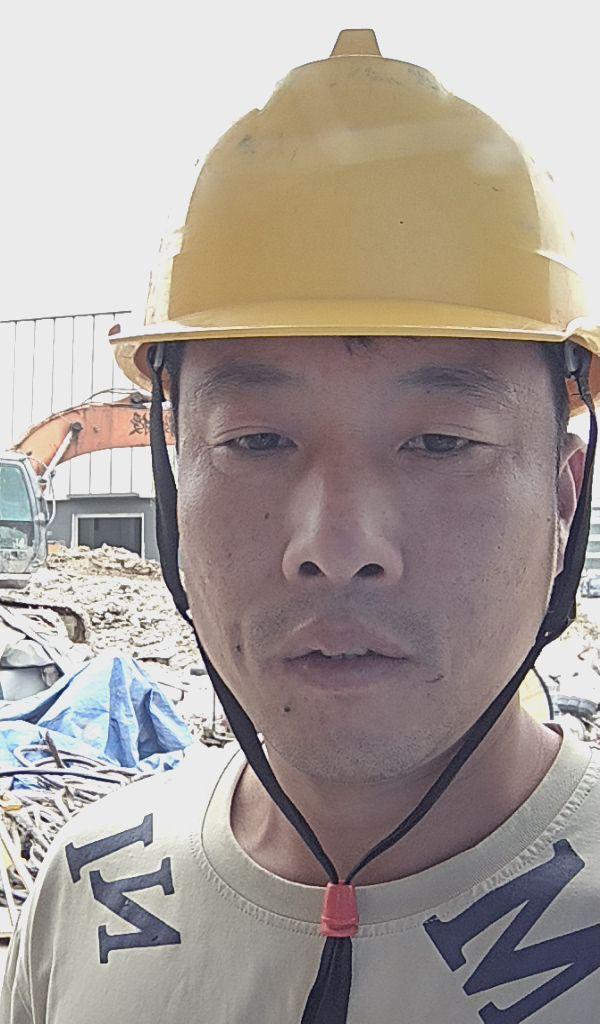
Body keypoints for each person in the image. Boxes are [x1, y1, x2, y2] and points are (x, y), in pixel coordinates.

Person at [2, 28, 600, 1024]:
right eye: (257, 440)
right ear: (174, 487)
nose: (335, 544)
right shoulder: (91, 892)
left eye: (440, 442)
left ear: (564, 495)